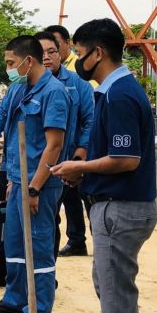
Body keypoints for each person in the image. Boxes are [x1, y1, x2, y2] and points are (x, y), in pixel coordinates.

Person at [51, 18, 157, 313]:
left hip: (123, 210)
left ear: (98, 52)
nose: (76, 59)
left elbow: (126, 160)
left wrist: (82, 169)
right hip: (116, 208)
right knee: (107, 287)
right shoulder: (113, 93)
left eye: (79, 52)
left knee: (118, 299)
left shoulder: (121, 96)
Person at [0, 36, 68, 313]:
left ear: (29, 61)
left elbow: (54, 146)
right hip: (16, 179)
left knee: (37, 248)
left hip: (39, 184)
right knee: (13, 243)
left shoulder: (54, 93)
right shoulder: (17, 89)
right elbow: (0, 117)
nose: (9, 68)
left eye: (12, 63)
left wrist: (33, 188)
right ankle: (14, 299)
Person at [36, 31, 94, 259]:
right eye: (41, 53)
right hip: (49, 164)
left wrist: (80, 156)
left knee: (90, 205)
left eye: (53, 51)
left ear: (63, 51)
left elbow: (90, 121)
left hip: (76, 160)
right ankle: (50, 269)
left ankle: (99, 250)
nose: (48, 57)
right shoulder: (29, 86)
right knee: (51, 216)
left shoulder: (80, 86)